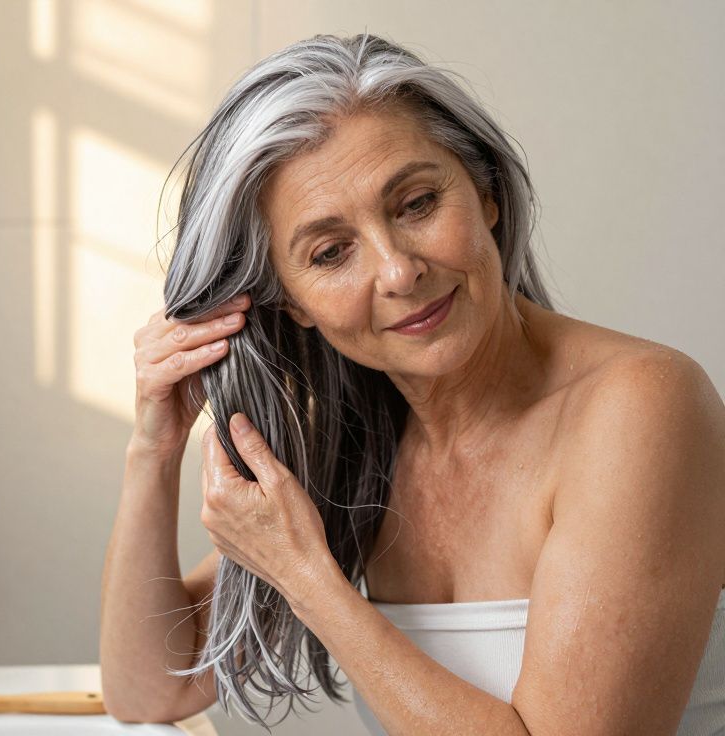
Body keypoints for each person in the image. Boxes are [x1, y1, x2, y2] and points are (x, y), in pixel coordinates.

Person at [100, 33, 725, 734]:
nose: (399, 271)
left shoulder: (641, 407)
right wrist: (153, 448)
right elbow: (147, 691)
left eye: (418, 203)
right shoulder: (358, 446)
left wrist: (311, 581)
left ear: (485, 191)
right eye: (332, 252)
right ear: (293, 303)